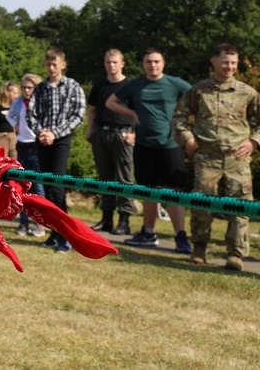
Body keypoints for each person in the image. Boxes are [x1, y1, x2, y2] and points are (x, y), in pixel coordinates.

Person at [172, 43, 259, 271]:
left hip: (237, 159)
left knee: (240, 207)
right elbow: (179, 117)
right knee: (201, 205)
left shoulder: (248, 93)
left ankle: (236, 255)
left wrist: (254, 142)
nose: (229, 67)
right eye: (225, 62)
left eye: (233, 63)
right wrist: (187, 137)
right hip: (207, 158)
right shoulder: (199, 91)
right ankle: (199, 249)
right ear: (214, 62)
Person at [106, 47, 193, 253]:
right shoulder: (135, 85)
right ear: (143, 64)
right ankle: (148, 233)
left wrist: (187, 126)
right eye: (148, 62)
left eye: (156, 61)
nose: (153, 65)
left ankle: (181, 237)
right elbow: (110, 102)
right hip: (144, 145)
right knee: (148, 190)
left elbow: (197, 98)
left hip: (170, 144)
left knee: (172, 192)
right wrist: (131, 113)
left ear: (163, 63)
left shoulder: (175, 83)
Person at [26, 47, 86, 253]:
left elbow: (78, 115)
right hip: (42, 140)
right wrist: (42, 132)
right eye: (48, 64)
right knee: (48, 188)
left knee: (58, 187)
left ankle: (66, 235)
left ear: (63, 64)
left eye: (55, 64)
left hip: (61, 140)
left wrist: (55, 133)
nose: (51, 68)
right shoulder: (40, 88)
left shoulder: (72, 86)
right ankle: (54, 232)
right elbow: (30, 114)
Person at [85, 49, 136, 235]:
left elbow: (140, 112)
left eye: (115, 62)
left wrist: (134, 134)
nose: (111, 65)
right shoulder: (99, 86)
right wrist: (91, 131)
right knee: (104, 178)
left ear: (122, 63)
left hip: (123, 135)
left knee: (124, 179)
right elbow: (92, 110)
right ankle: (107, 219)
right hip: (101, 134)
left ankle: (124, 220)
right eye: (108, 62)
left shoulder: (131, 86)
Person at [6, 73, 46, 237]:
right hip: (22, 146)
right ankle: (23, 223)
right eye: (24, 87)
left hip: (37, 147)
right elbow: (9, 115)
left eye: (30, 87)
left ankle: (40, 224)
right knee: (21, 187)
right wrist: (16, 125)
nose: (27, 90)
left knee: (39, 187)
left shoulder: (42, 102)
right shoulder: (19, 102)